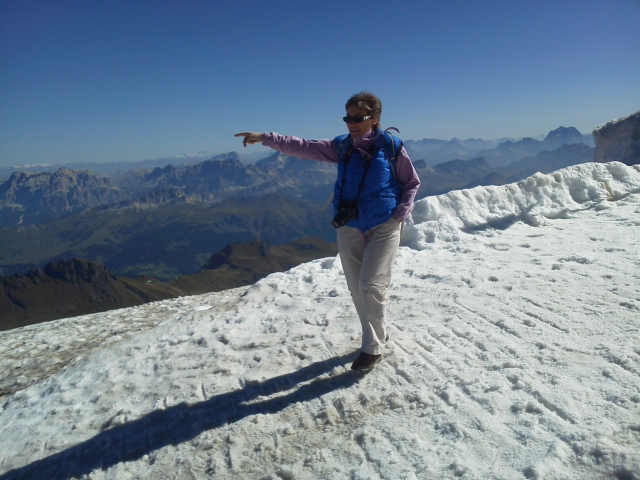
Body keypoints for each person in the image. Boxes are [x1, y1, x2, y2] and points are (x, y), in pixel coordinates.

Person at [236, 92, 421, 373]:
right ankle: (376, 336)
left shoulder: (391, 147)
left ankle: (372, 348)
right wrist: (264, 137)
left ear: (374, 119)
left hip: (384, 224)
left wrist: (400, 214)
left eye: (358, 118)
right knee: (356, 288)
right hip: (349, 225)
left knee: (371, 285)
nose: (351, 123)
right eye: (348, 118)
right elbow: (303, 146)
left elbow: (411, 182)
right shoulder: (342, 147)